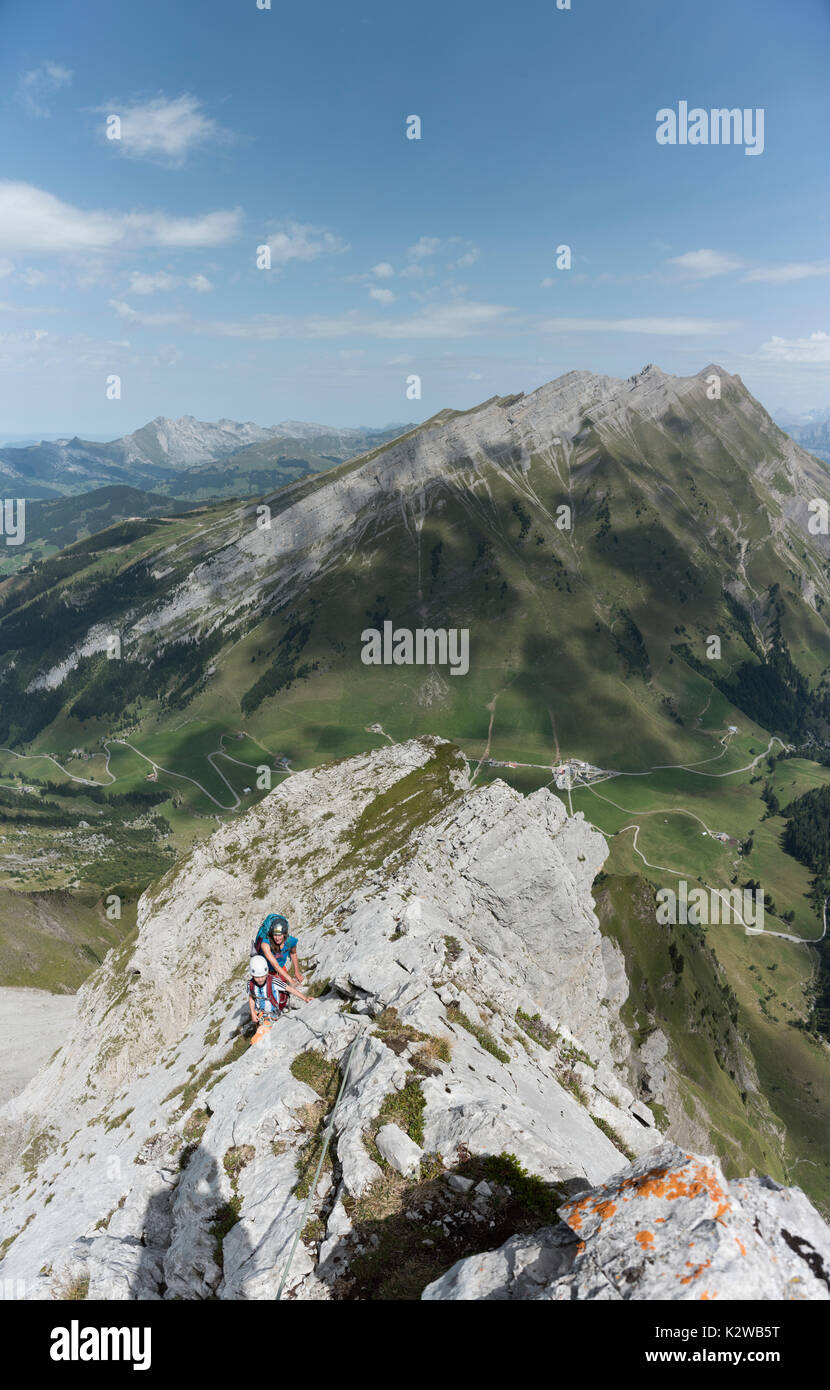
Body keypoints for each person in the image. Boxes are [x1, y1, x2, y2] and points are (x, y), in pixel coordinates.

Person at [247, 956, 310, 1031]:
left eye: (262, 976)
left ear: (266, 973)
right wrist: (253, 1013)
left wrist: (305, 998)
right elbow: (252, 998)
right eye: (257, 977)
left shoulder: (273, 982)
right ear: (252, 975)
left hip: (273, 1014)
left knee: (262, 1033)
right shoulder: (250, 984)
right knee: (261, 1031)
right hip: (259, 1014)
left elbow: (289, 989)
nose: (260, 979)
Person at [251, 913, 304, 987]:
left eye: (280, 935)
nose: (277, 938)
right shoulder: (265, 944)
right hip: (265, 972)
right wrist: (291, 980)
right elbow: (275, 965)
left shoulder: (290, 941)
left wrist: (297, 972)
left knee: (284, 992)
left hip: (281, 968)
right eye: (275, 935)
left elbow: (293, 953)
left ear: (284, 934)